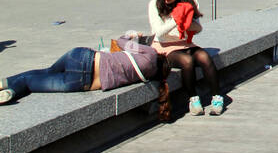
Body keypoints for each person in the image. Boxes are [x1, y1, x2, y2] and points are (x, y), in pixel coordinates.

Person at [0, 35, 172, 121]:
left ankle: (5, 83)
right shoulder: (147, 77)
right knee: (30, 83)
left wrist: (132, 36)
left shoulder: (150, 53)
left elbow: (121, 41)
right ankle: (12, 92)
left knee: (47, 71)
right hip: (83, 83)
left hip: (83, 57)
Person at [147, 0, 225, 116]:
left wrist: (185, 22)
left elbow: (198, 28)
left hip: (185, 43)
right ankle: (193, 99)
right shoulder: (154, 4)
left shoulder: (190, 1)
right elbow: (158, 32)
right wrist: (176, 21)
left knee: (204, 57)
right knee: (187, 61)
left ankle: (217, 97)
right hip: (163, 46)